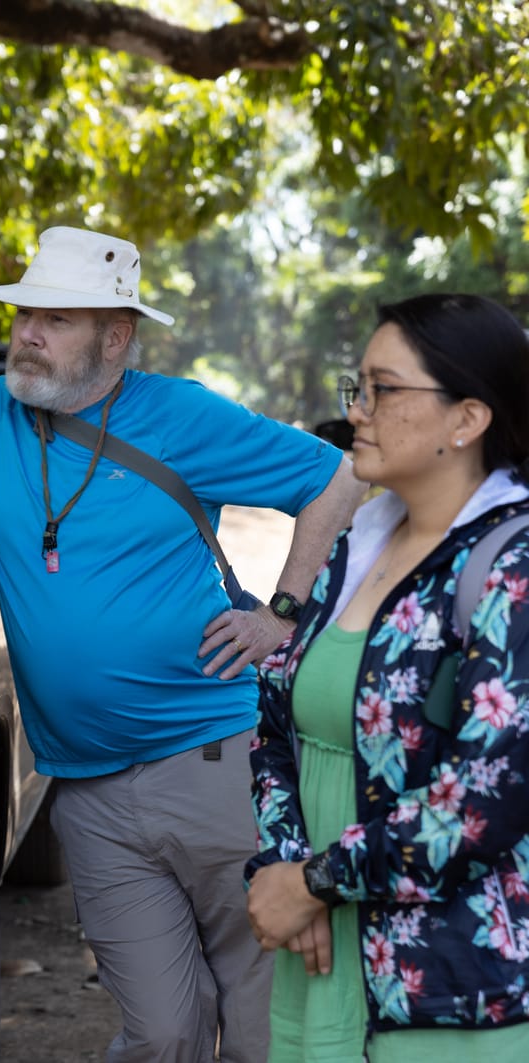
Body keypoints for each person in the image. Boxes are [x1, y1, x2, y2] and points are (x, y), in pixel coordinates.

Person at [0, 225, 362, 1063]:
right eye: (27, 312)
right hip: (89, 792)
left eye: (57, 319)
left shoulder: (179, 414)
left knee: (257, 1029)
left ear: (117, 336)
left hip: (214, 761)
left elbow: (339, 477)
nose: (29, 333)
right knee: (162, 1031)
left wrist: (282, 613)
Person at [245, 292, 529, 1062]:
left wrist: (316, 878)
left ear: (467, 420)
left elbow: (487, 796)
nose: (357, 411)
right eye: (357, 387)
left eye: (383, 389)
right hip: (321, 956)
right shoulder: (357, 544)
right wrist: (283, 861)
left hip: (448, 981)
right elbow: (275, 722)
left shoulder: (512, 564)